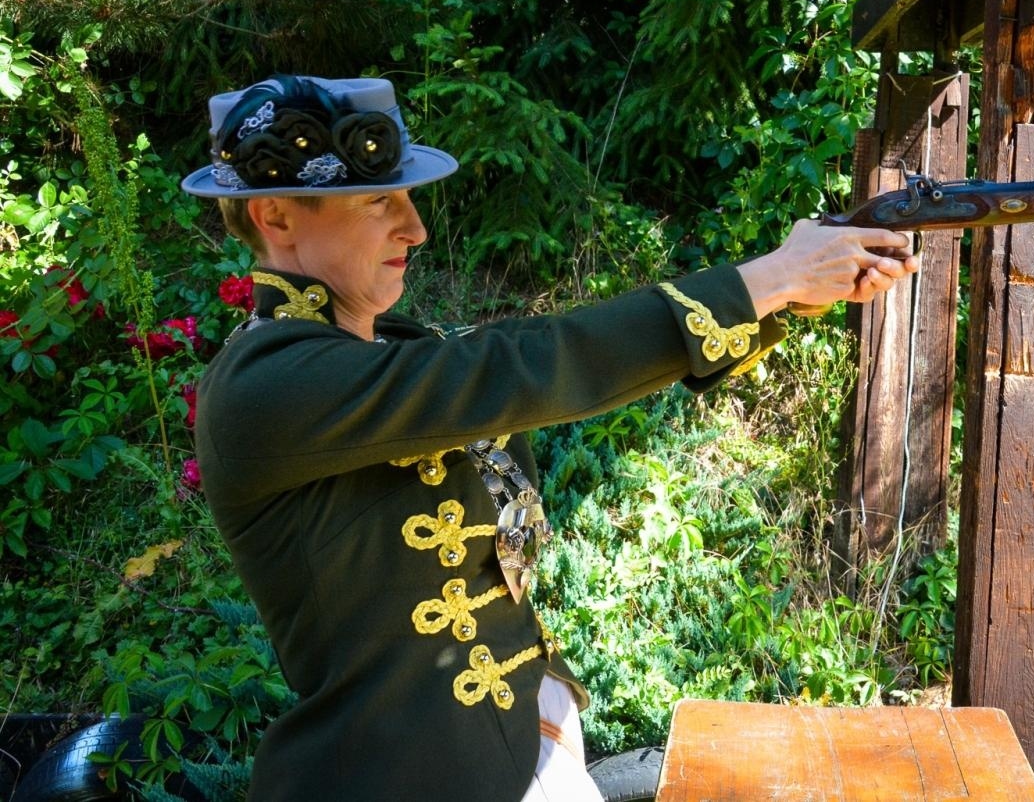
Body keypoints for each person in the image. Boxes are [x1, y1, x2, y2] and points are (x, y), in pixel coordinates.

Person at [182, 74, 918, 802]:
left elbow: (521, 376)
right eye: (380, 201)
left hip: (523, 748)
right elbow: (521, 366)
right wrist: (764, 277)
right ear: (277, 217)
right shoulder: (260, 386)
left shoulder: (390, 347)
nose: (415, 228)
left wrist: (790, 293)